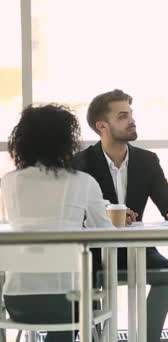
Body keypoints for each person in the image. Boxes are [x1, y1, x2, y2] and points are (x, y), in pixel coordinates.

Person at [72, 89, 168, 342]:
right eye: (123, 116)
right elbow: (75, 213)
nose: (132, 120)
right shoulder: (80, 163)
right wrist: (107, 214)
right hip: (92, 251)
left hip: (137, 249)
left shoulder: (147, 160)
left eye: (131, 114)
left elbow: (166, 199)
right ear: (102, 125)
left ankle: (147, 338)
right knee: (81, 279)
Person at [1, 104, 114, 342]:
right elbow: (105, 234)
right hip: (69, 301)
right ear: (67, 141)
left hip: (18, 300)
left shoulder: (9, 183)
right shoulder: (83, 182)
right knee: (73, 299)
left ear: (22, 141)